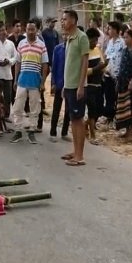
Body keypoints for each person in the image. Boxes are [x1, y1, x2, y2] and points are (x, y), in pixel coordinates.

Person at [10, 18, 48, 144]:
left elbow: (44, 65)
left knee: (35, 107)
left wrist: (42, 82)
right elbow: (17, 63)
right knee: (17, 106)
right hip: (22, 79)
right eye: (28, 29)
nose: (31, 32)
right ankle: (18, 131)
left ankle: (31, 131)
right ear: (25, 30)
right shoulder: (21, 44)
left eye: (33, 29)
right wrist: (15, 80)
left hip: (35, 80)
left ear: (37, 30)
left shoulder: (41, 45)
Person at [60, 9, 89, 167]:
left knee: (78, 119)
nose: (62, 22)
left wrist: (80, 86)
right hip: (69, 85)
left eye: (64, 19)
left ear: (73, 20)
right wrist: (65, 85)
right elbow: (69, 65)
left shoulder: (81, 37)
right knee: (73, 119)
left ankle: (80, 156)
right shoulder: (69, 38)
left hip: (77, 86)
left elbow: (85, 63)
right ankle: (75, 150)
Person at [115, 29, 132, 141]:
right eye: (124, 37)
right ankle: (127, 131)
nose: (125, 39)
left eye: (126, 37)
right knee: (124, 108)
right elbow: (122, 67)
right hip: (122, 83)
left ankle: (131, 134)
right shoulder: (124, 51)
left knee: (131, 108)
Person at [85, 28, 107, 145]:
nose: (95, 43)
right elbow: (83, 71)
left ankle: (85, 125)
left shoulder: (97, 50)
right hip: (88, 85)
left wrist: (105, 66)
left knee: (99, 109)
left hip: (99, 84)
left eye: (96, 40)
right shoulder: (84, 52)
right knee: (92, 110)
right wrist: (96, 68)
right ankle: (92, 135)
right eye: (93, 40)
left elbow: (103, 66)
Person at [49, 33, 70, 143]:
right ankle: (52, 132)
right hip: (59, 82)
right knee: (56, 108)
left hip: (70, 83)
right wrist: (53, 82)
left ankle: (64, 132)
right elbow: (54, 66)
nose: (67, 36)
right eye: (65, 35)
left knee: (68, 109)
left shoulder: (73, 49)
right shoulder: (58, 49)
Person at [103, 21, 124, 126]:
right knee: (108, 96)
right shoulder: (110, 42)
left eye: (110, 29)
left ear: (115, 30)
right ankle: (109, 116)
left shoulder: (122, 43)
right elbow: (107, 57)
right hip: (108, 73)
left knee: (116, 96)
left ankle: (116, 116)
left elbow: (123, 59)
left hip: (117, 74)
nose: (108, 31)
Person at [0, 22, 17, 119]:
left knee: (7, 97)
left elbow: (15, 57)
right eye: (0, 30)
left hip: (8, 74)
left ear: (6, 31)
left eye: (4, 30)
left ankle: (6, 115)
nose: (2, 32)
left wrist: (9, 61)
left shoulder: (11, 44)